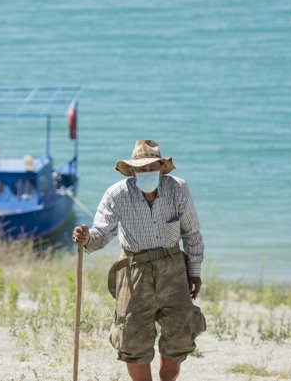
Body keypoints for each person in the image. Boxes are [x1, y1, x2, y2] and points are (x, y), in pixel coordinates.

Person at [72, 140, 206, 381]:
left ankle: (168, 378)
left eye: (152, 167)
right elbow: (101, 234)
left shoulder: (178, 189)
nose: (147, 173)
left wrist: (194, 271)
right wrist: (86, 238)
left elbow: (192, 233)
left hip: (173, 268)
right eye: (141, 169)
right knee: (132, 339)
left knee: (180, 334)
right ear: (132, 171)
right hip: (134, 271)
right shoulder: (117, 194)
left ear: (161, 168)